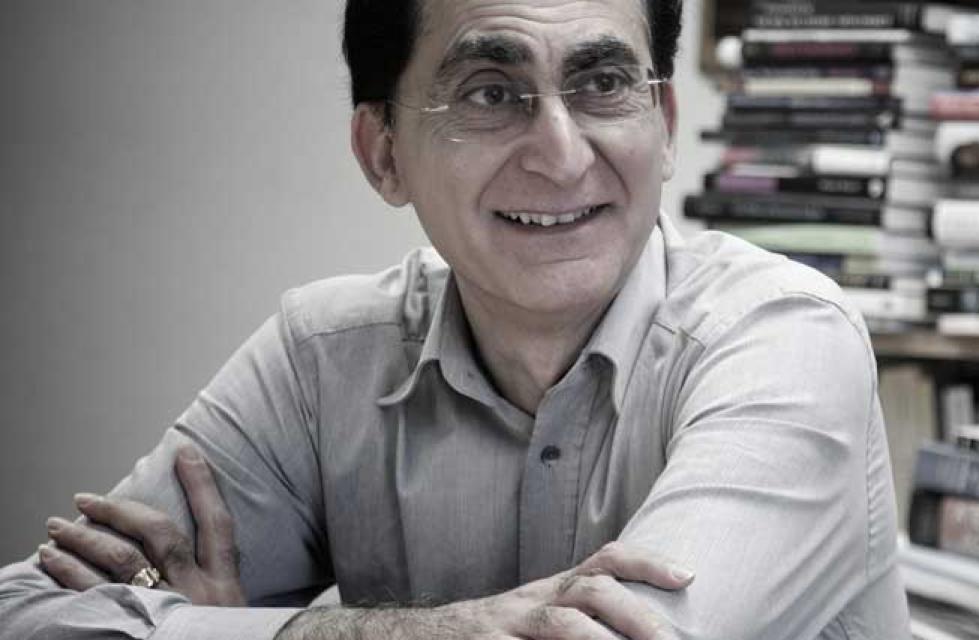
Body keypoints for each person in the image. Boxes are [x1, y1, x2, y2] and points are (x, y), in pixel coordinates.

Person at [0, 0, 911, 638]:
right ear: (383, 153)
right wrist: (439, 631)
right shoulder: (324, 359)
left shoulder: (785, 341)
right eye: (489, 91)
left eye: (602, 83)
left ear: (664, 124)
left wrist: (240, 633)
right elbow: (27, 614)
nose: (562, 155)